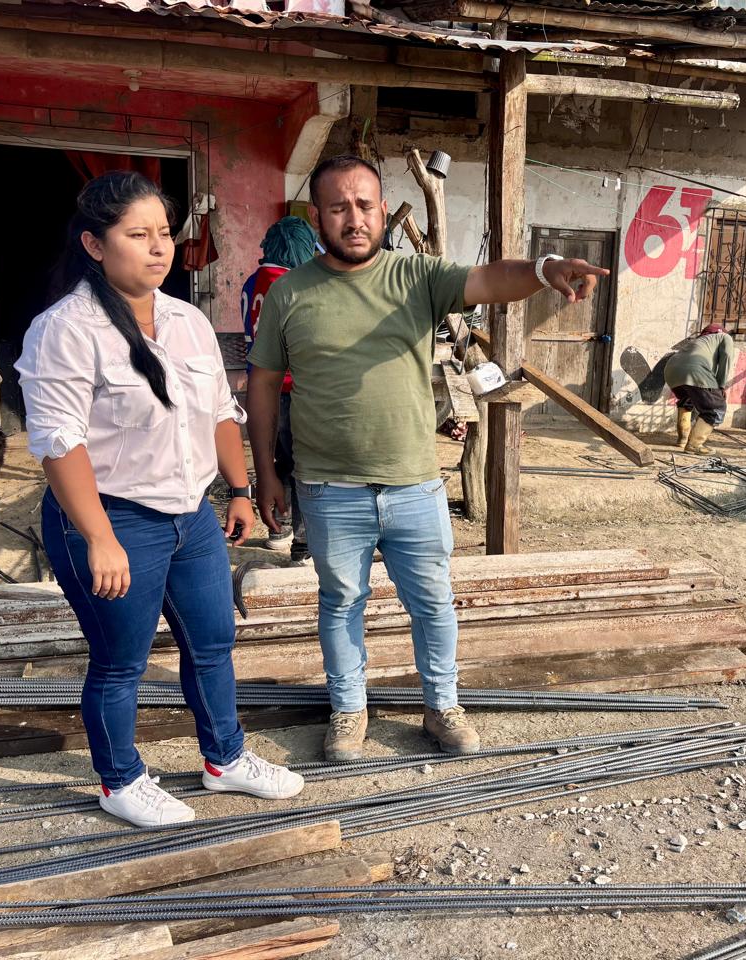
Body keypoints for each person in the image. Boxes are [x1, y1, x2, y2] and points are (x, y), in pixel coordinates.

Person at [246, 155, 609, 761]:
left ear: (382, 210)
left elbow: (490, 279)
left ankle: (442, 707)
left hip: (413, 483)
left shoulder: (416, 276)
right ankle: (349, 711)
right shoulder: (288, 294)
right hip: (329, 488)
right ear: (317, 217)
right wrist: (265, 473)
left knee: (433, 604)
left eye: (365, 205)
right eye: (338, 208)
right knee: (340, 603)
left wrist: (545, 270)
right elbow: (262, 384)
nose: (354, 219)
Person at [17, 171, 304, 828]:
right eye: (137, 234)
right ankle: (119, 780)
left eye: (165, 234)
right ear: (95, 244)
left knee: (213, 642)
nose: (158, 248)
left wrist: (238, 490)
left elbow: (220, 411)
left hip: (190, 516)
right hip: (111, 517)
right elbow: (60, 444)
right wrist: (99, 537)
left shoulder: (187, 320)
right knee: (121, 661)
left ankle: (224, 760)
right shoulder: (66, 330)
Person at [241, 216, 318, 562]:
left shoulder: (251, 283)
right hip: (293, 387)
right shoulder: (295, 284)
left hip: (262, 391)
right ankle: (303, 542)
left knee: (278, 462)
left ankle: (278, 529)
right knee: (303, 464)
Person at [663, 322, 736, 454]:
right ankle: (694, 445)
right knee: (715, 409)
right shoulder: (724, 337)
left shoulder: (698, 341)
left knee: (687, 400)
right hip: (694, 370)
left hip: (671, 371)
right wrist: (721, 386)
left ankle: (682, 439)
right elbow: (727, 356)